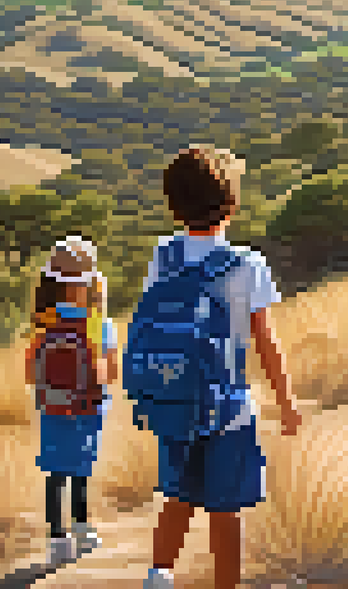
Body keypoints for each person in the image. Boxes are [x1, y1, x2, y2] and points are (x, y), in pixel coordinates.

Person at [141, 146, 302, 589]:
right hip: (228, 409)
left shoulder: (163, 256)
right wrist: (287, 403)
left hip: (173, 402)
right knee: (224, 509)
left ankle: (158, 577)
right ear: (231, 205)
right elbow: (265, 342)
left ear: (174, 206)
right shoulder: (247, 265)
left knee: (176, 497)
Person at [25, 236, 117, 564]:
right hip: (89, 407)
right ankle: (82, 528)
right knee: (81, 468)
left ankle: (56, 539)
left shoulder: (42, 323)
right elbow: (111, 374)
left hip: (52, 406)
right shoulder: (100, 324)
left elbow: (29, 373)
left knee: (55, 471)